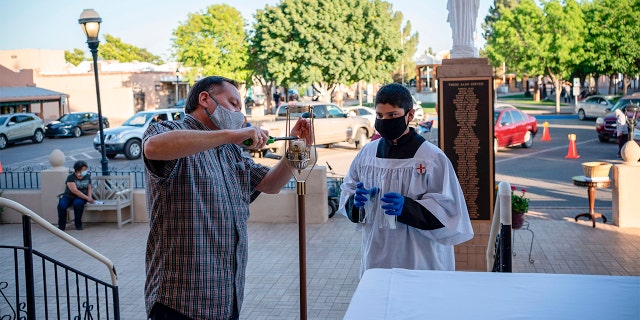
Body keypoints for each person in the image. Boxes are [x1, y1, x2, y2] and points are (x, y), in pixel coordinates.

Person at [142, 76, 311, 319]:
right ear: (205, 99)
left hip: (224, 298)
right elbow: (153, 148)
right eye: (233, 103)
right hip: (179, 301)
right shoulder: (170, 129)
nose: (238, 113)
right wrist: (232, 134)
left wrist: (299, 147)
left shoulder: (230, 152)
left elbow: (271, 184)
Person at [338, 83, 474, 276]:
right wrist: (356, 203)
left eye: (392, 115)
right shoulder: (367, 155)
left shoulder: (431, 158)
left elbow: (449, 211)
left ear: (409, 115)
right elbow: (347, 193)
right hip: (377, 255)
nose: (385, 121)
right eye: (380, 116)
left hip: (419, 258)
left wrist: (408, 208)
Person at [57, 160, 93, 230]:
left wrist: (90, 197)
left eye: (86, 169)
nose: (85, 171)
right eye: (84, 169)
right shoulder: (71, 177)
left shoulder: (87, 176)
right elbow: (75, 191)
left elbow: (89, 188)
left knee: (78, 203)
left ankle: (78, 224)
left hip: (80, 197)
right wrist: (87, 198)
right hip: (69, 196)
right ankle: (61, 226)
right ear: (78, 170)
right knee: (61, 205)